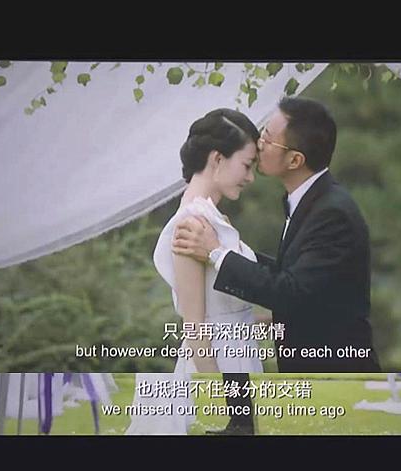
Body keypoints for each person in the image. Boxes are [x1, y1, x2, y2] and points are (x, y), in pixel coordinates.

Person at [173, 97, 381, 373]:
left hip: (334, 371)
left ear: (295, 160)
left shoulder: (332, 213)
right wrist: (227, 248)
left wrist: (217, 253)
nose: (259, 143)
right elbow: (295, 276)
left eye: (268, 139)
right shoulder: (312, 202)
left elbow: (291, 292)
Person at [126, 108, 264, 435]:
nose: (250, 178)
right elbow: (195, 327)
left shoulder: (212, 218)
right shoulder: (192, 223)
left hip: (239, 359)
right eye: (247, 165)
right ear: (217, 159)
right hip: (216, 364)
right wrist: (221, 402)